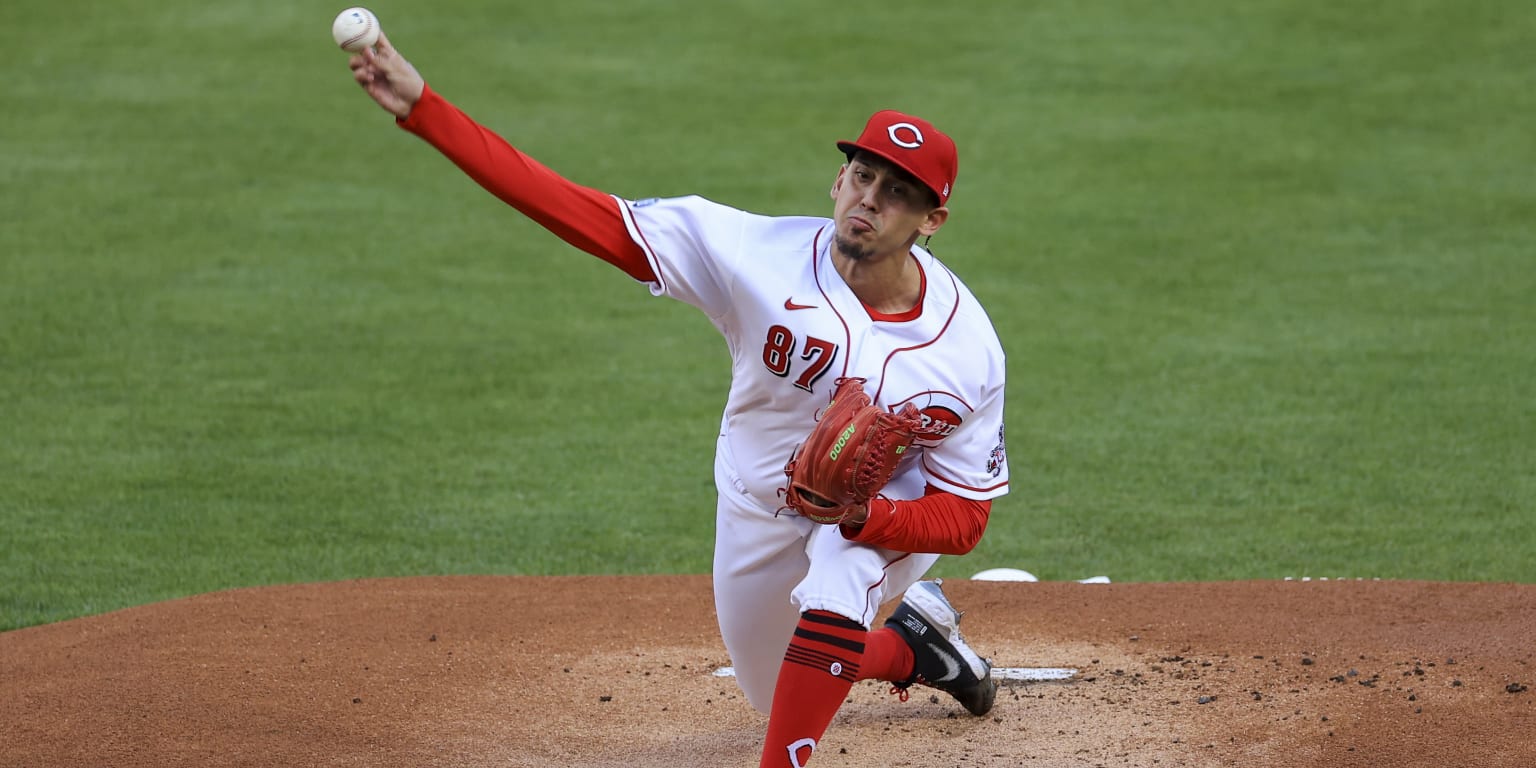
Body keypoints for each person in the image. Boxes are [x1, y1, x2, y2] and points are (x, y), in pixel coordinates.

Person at [347, 31, 1011, 768]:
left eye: (897, 194)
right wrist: (424, 110)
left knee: (842, 573)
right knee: (774, 685)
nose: (869, 201)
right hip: (756, 501)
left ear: (931, 222)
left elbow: (966, 515)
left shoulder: (967, 352)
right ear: (836, 180)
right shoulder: (751, 256)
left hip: (881, 512)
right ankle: (918, 650)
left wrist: (866, 514)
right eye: (861, 176)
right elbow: (577, 211)